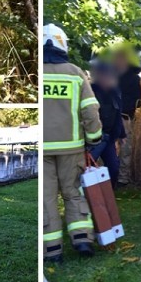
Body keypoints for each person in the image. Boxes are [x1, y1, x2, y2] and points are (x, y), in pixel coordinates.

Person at [42, 23, 102, 263]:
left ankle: (52, 249)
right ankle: (82, 238)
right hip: (71, 147)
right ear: (61, 44)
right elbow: (90, 110)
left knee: (47, 198)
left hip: (44, 147)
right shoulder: (75, 73)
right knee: (73, 193)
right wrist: (94, 139)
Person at [88, 60, 125, 187]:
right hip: (93, 139)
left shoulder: (115, 92)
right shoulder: (89, 91)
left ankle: (108, 193)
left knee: (114, 168)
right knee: (88, 167)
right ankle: (87, 195)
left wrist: (121, 135)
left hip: (108, 138)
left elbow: (118, 115)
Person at [114, 48, 141, 187]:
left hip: (109, 117)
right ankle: (122, 179)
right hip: (125, 117)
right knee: (125, 148)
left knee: (106, 146)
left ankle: (105, 176)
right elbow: (139, 101)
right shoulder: (134, 78)